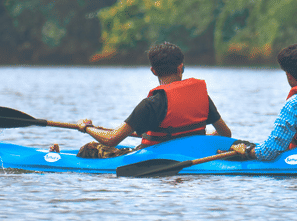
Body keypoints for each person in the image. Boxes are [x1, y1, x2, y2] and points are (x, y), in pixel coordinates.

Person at [71, 42, 232, 158]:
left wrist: (86, 127)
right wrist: (205, 137)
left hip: (156, 157)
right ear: (180, 67)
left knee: (88, 149)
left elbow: (112, 139)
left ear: (153, 71)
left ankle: (54, 154)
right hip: (196, 155)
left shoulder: (151, 105)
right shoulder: (201, 96)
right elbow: (226, 133)